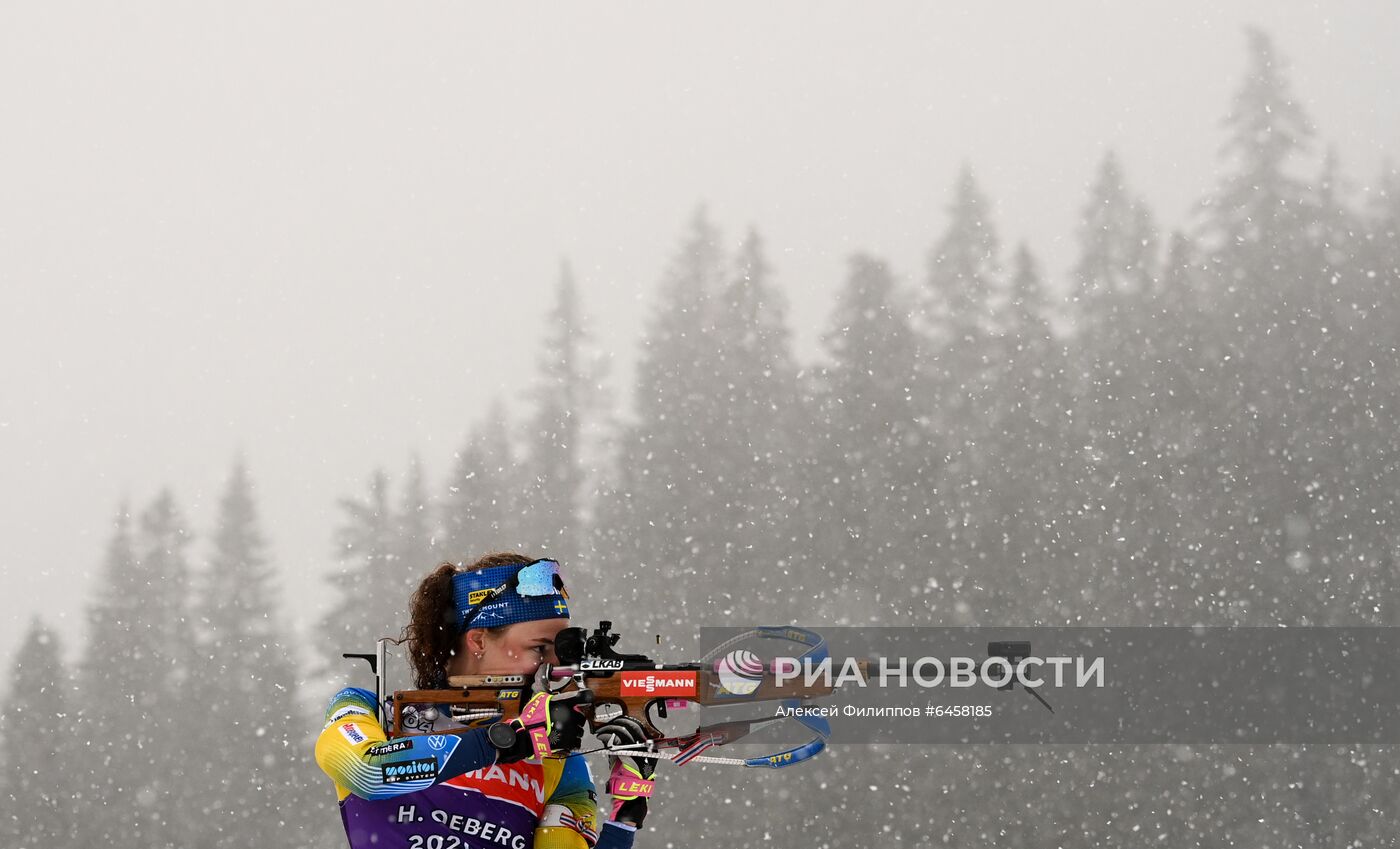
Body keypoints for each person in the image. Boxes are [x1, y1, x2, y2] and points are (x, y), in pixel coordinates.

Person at [315, 552, 658, 849]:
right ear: (478, 641)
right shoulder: (368, 712)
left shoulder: (558, 760)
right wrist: (511, 741)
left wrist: (623, 819)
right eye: (539, 648)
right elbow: (367, 771)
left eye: (564, 651)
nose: (556, 667)